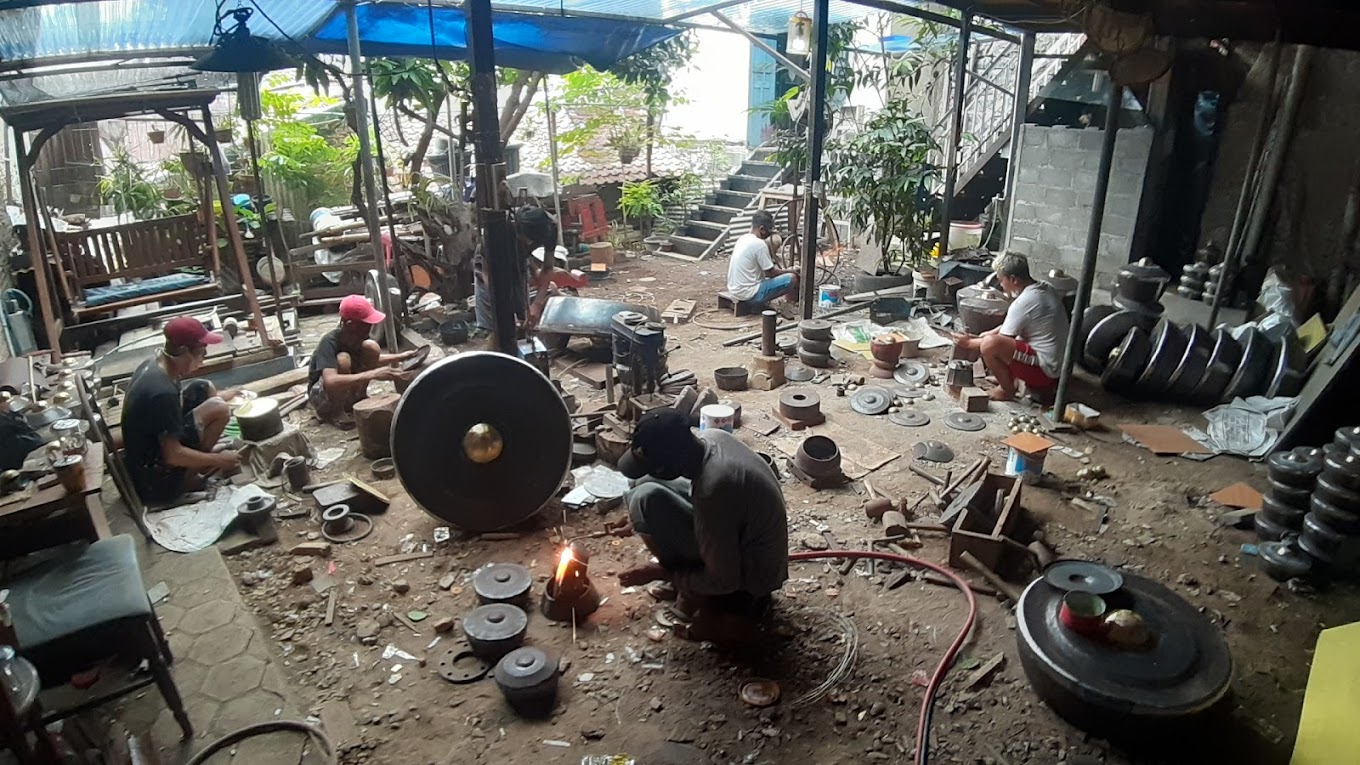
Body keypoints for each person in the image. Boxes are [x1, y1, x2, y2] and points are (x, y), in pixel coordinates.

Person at [615, 408, 789, 642]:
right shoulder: (713, 438)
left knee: (646, 499)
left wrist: (665, 573)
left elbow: (726, 580)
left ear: (669, 466)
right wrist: (637, 521)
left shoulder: (714, 489)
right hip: (739, 529)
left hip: (754, 574)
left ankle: (691, 590)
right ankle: (689, 581)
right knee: (641, 482)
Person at [121, 316, 241, 504]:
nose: (205, 356)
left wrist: (224, 395)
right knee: (219, 410)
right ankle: (186, 481)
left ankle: (198, 461)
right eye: (202, 352)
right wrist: (218, 460)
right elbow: (172, 454)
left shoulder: (156, 363)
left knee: (204, 387)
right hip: (155, 481)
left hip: (146, 450)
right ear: (184, 351)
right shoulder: (162, 392)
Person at [953, 251, 1069, 401]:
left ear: (1013, 279)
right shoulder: (1045, 287)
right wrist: (988, 333)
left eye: (1002, 280)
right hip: (1058, 365)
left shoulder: (1024, 301)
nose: (1001, 285)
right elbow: (1012, 325)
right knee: (990, 338)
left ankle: (1006, 390)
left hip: (1046, 371)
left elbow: (997, 343)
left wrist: (968, 343)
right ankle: (1008, 378)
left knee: (989, 345)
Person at [308, 295, 416, 423]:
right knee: (343, 359)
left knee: (372, 348)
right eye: (366, 323)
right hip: (322, 397)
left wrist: (402, 356)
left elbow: (368, 359)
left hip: (343, 390)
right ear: (350, 324)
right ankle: (337, 412)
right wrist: (373, 374)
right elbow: (330, 381)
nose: (371, 325)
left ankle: (359, 397)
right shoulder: (329, 342)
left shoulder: (357, 338)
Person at [474, 205, 560, 332]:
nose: (530, 244)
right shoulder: (496, 231)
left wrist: (537, 304)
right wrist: (502, 307)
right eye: (526, 240)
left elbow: (547, 268)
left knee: (522, 313)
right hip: (490, 263)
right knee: (495, 319)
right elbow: (488, 273)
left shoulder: (550, 227)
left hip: (520, 260)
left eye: (533, 241)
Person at [726, 210, 799, 307]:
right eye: (769, 230)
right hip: (749, 295)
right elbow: (770, 273)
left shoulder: (742, 238)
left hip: (734, 291)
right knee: (792, 278)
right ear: (762, 229)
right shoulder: (759, 244)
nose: (770, 233)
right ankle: (791, 301)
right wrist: (792, 271)